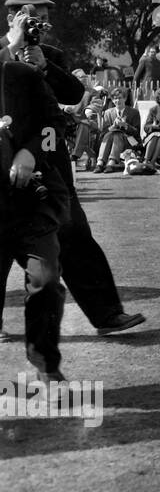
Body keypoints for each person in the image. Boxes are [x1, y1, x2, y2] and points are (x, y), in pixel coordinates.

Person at [3, 0, 144, 339]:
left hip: (48, 164)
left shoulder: (49, 56)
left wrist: (45, 68)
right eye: (33, 20)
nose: (40, 27)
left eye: (44, 21)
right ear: (14, 18)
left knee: (75, 234)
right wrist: (12, 50)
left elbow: (68, 97)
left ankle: (107, 314)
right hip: (4, 163)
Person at [0, 55, 72, 380]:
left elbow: (54, 124)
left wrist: (31, 151)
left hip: (31, 201)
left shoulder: (20, 74)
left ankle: (47, 368)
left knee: (45, 281)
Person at [94, 89, 140, 173]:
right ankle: (100, 162)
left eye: (120, 98)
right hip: (112, 140)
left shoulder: (134, 112)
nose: (117, 100)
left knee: (117, 134)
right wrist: (113, 126)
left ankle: (111, 162)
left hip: (130, 140)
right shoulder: (108, 113)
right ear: (112, 100)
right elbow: (103, 133)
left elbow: (136, 132)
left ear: (125, 99)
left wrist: (125, 125)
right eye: (115, 98)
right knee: (110, 134)